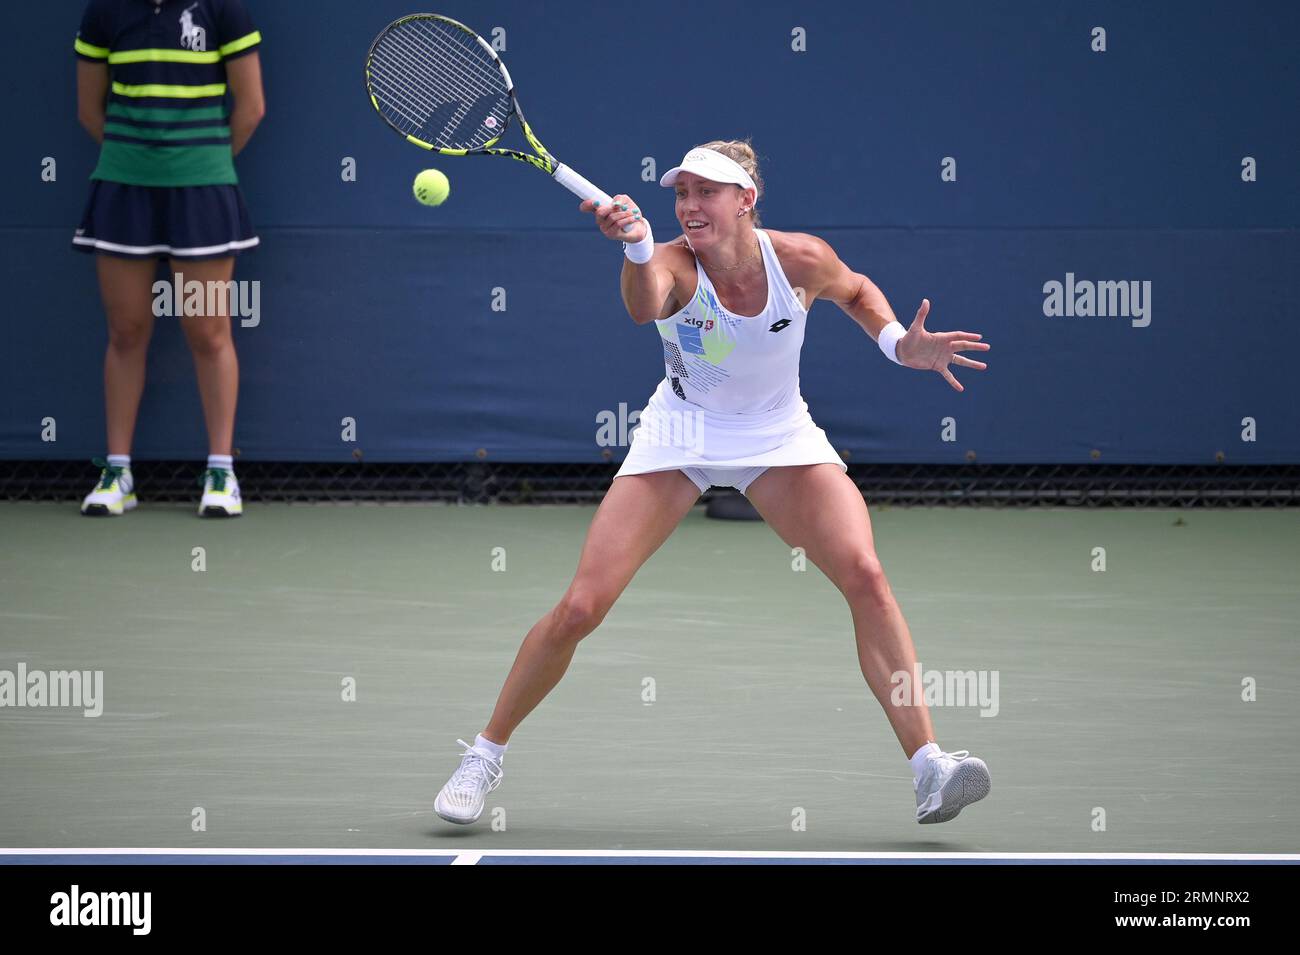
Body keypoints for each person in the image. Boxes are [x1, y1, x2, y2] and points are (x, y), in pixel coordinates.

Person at [435, 140, 992, 827]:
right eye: (681, 194)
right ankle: (484, 753)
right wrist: (637, 247)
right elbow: (646, 307)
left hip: (778, 435)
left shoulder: (800, 259)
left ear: (746, 199)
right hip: (681, 434)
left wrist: (896, 343)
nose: (689, 207)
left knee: (866, 575)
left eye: (706, 193)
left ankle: (929, 767)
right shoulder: (670, 262)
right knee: (581, 606)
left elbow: (855, 291)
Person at [73, 0, 264, 517]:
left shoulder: (223, 10)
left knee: (207, 330)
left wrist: (198, 159)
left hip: (201, 197)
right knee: (127, 330)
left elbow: (251, 107)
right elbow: (90, 111)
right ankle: (118, 474)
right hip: (124, 193)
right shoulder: (105, 13)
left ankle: (221, 473)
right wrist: (140, 155)